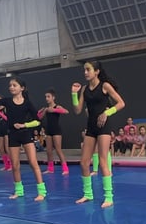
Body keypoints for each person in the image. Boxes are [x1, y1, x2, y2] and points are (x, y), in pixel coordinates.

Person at [71, 59, 126, 208]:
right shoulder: (84, 89)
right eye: (84, 70)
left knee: (102, 161)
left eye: (88, 69)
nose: (85, 72)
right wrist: (74, 94)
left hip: (103, 126)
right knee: (84, 162)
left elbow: (121, 103)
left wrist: (107, 112)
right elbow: (77, 110)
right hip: (91, 127)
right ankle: (88, 194)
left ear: (97, 72)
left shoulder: (105, 86)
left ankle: (108, 197)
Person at [3, 77, 47, 201]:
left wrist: (24, 125)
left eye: (14, 85)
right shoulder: (7, 101)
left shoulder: (27, 103)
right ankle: (19, 191)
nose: (11, 87)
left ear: (22, 88)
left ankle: (42, 191)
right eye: (10, 85)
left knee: (33, 162)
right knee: (15, 165)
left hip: (25, 134)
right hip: (13, 135)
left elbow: (37, 121)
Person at [38, 88, 70, 175]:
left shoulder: (57, 106)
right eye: (46, 97)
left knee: (58, 150)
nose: (47, 98)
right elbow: (39, 118)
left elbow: (66, 112)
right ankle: (50, 169)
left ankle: (65, 168)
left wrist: (54, 110)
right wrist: (42, 111)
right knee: (48, 151)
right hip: (48, 130)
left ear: (53, 97)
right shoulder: (46, 108)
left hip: (56, 130)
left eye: (48, 97)